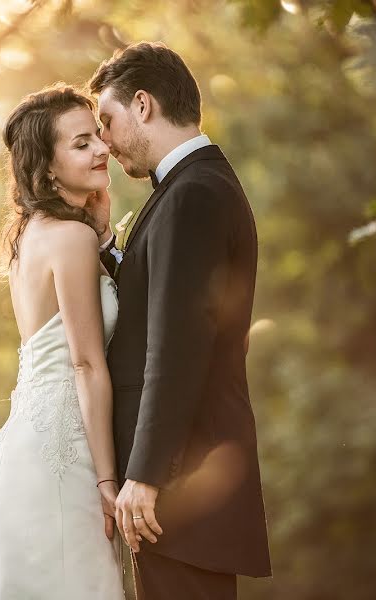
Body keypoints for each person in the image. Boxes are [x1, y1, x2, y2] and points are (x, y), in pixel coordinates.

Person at [88, 42, 272, 600]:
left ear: (143, 105)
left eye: (108, 122)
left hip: (181, 488)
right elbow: (156, 304)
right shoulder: (189, 187)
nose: (104, 143)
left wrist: (145, 475)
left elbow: (177, 345)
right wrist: (104, 243)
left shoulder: (192, 194)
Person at [0, 84, 126, 599]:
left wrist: (103, 237)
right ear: (46, 167)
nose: (101, 150)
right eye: (82, 143)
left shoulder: (31, 235)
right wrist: (108, 483)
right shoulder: (71, 239)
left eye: (97, 138)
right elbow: (87, 366)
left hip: (29, 440)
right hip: (68, 454)